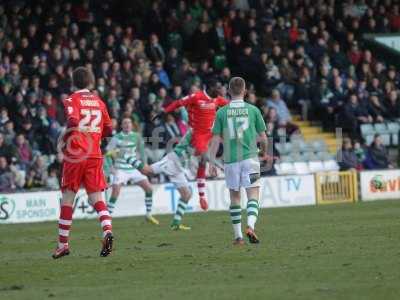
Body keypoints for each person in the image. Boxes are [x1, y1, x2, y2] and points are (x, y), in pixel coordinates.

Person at [53, 67, 114, 259]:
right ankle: (107, 230)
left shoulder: (71, 100)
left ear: (73, 82)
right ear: (91, 82)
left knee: (68, 198)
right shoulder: (99, 102)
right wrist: (95, 135)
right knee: (97, 198)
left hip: (76, 154)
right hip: (95, 154)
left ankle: (63, 245)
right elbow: (109, 130)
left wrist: (65, 139)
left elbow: (72, 120)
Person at [209, 77, 268, 245]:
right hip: (251, 158)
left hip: (230, 161)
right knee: (253, 195)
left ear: (228, 91)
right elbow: (263, 138)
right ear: (245, 91)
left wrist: (212, 162)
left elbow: (215, 140)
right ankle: (250, 226)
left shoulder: (221, 112)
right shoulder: (253, 110)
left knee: (235, 197)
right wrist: (263, 152)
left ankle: (238, 237)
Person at [163, 81, 228, 211]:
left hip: (212, 133)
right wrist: (165, 111)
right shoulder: (196, 97)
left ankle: (203, 194)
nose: (220, 91)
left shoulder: (217, 99)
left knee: (205, 160)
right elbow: (178, 103)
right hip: (198, 134)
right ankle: (221, 170)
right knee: (204, 158)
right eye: (218, 88)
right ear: (210, 87)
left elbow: (231, 106)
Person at [105, 117, 159, 225]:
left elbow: (142, 151)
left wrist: (144, 164)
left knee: (149, 189)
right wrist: (111, 168)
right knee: (115, 192)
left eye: (129, 122)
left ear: (132, 125)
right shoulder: (116, 137)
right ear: (121, 125)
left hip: (134, 168)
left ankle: (148, 214)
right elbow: (107, 153)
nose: (127, 124)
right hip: (120, 168)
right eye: (125, 123)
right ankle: (107, 218)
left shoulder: (136, 136)